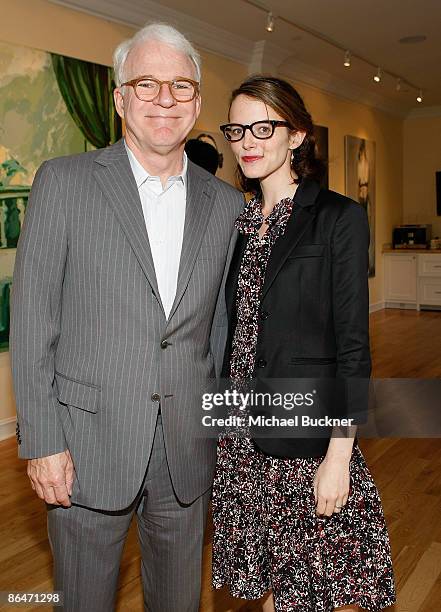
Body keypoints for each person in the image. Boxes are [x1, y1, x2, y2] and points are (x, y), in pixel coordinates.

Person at [10, 23, 243, 612]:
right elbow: (33, 320)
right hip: (85, 449)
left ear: (196, 102)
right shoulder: (63, 183)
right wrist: (42, 441)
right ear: (119, 99)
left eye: (181, 86)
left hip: (187, 450)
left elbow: (217, 331)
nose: (165, 99)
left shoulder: (226, 206)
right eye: (146, 83)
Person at [212, 75, 396, 612]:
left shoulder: (338, 217)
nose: (247, 140)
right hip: (238, 434)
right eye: (237, 129)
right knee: (269, 582)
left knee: (312, 589)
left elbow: (353, 349)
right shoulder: (237, 221)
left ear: (295, 136)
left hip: (305, 434)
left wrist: (339, 453)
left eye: (263, 127)